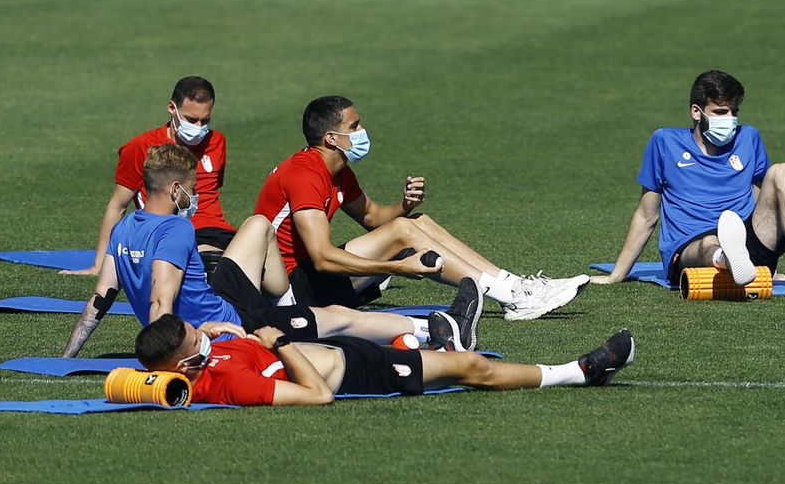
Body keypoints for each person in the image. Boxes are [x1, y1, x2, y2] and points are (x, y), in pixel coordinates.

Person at [60, 145, 482, 358]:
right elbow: (160, 301)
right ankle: (437, 328)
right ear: (174, 189)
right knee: (334, 320)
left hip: (225, 301)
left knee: (258, 224)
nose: (193, 194)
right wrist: (163, 359)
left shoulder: (123, 228)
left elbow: (100, 299)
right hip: (234, 324)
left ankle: (288, 300)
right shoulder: (176, 229)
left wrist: (68, 355)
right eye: (190, 186)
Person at [252, 95, 589, 320]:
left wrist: (404, 204)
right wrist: (400, 268)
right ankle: (515, 297)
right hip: (292, 295)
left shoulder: (335, 170)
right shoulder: (304, 175)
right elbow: (323, 257)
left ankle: (514, 286)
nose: (362, 132)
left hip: (310, 278)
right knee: (403, 231)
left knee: (416, 221)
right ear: (330, 138)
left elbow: (371, 217)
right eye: (354, 127)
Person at [593, 70, 785, 298]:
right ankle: (730, 259)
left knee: (784, 171)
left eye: (734, 112)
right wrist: (617, 275)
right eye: (721, 112)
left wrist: (768, 264)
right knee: (709, 242)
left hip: (745, 236)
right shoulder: (664, 142)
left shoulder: (749, 138)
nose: (730, 120)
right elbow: (646, 215)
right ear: (696, 112)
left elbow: (760, 202)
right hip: (691, 245)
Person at [133, 314, 635, 406]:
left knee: (341, 319)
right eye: (193, 340)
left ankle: (422, 346)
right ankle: (580, 372)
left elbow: (223, 347)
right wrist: (280, 343)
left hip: (345, 354)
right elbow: (316, 396)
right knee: (470, 367)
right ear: (179, 368)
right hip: (358, 373)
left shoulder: (205, 356)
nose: (203, 339)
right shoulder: (227, 386)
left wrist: (222, 333)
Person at [62, 76, 236, 276]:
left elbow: (210, 193)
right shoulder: (141, 147)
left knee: (260, 239)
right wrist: (98, 266)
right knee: (220, 266)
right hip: (170, 233)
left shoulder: (217, 142)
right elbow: (118, 205)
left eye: (205, 121)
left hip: (219, 232)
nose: (198, 128)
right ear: (172, 108)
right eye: (191, 120)